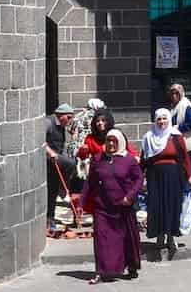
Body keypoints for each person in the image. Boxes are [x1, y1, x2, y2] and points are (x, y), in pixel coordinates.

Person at [84, 129, 142, 282]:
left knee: (126, 239)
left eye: (114, 141)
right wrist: (82, 202)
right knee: (102, 239)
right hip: (102, 206)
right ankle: (101, 272)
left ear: (120, 143)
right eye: (108, 140)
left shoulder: (129, 160)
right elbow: (90, 182)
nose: (110, 144)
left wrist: (129, 197)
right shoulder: (97, 159)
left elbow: (138, 180)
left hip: (123, 207)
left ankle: (131, 266)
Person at [138, 108, 191, 258]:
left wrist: (189, 175)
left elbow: (185, 158)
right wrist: (138, 177)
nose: (162, 122)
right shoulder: (149, 137)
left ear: (169, 119)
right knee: (157, 206)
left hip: (173, 176)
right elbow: (143, 160)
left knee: (172, 205)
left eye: (164, 119)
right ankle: (159, 236)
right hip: (155, 176)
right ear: (155, 121)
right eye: (159, 119)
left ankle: (171, 237)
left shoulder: (176, 137)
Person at [45, 102, 79, 230]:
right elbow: (40, 141)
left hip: (55, 162)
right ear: (60, 115)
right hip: (49, 159)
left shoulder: (62, 126)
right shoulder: (48, 122)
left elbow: (61, 146)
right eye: (68, 117)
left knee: (52, 193)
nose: (70, 121)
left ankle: (50, 219)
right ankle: (63, 188)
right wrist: (51, 153)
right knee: (71, 164)